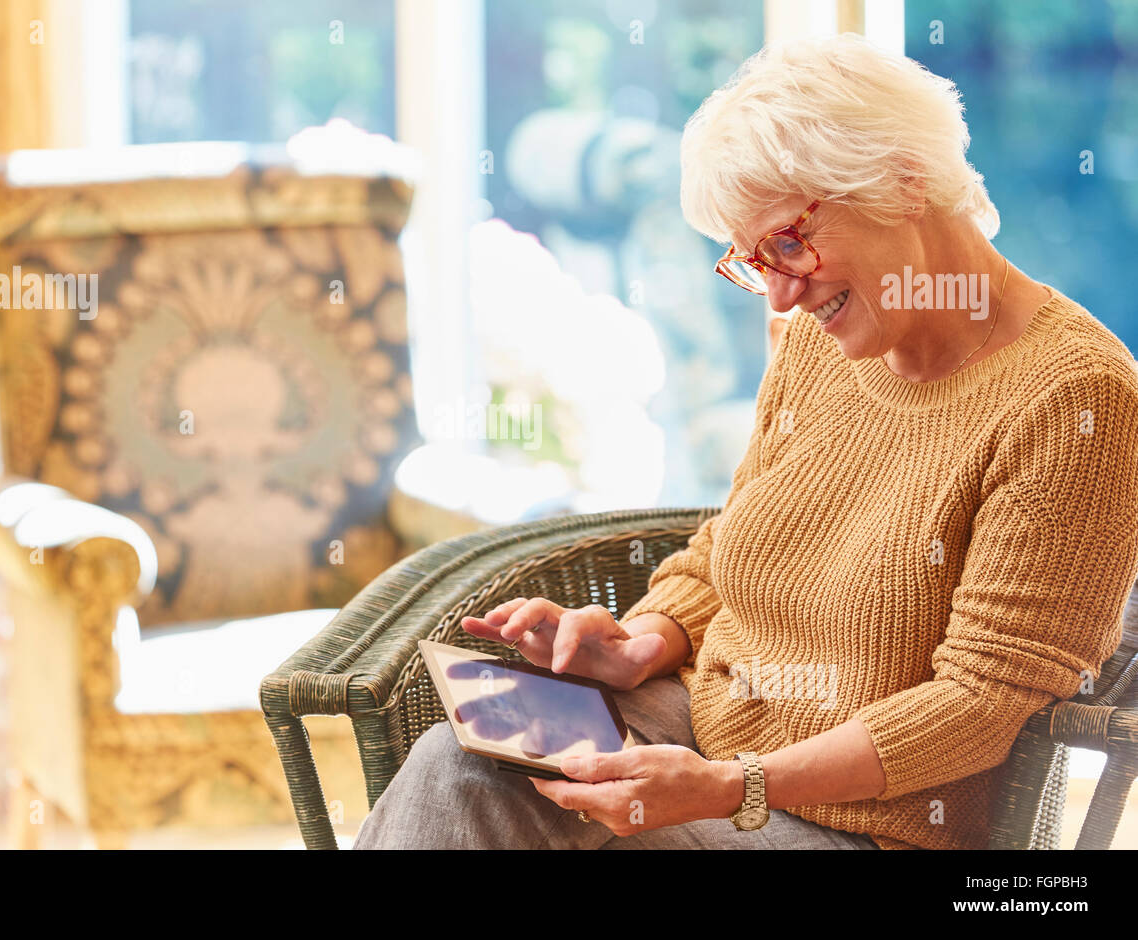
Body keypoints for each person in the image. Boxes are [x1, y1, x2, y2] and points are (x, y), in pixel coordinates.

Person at [352, 32, 1138, 850]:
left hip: (863, 820)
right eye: (755, 262)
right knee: (465, 764)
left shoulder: (1073, 396)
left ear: (905, 183)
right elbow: (733, 539)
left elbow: (982, 704)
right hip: (708, 726)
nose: (785, 295)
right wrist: (644, 643)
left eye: (791, 245)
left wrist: (736, 786)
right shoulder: (822, 344)